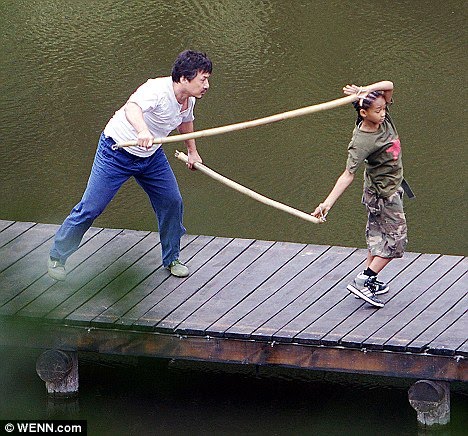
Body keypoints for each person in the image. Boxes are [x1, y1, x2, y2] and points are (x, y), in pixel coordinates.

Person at [48, 50, 212, 281]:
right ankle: (57, 256)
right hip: (116, 153)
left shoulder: (189, 99)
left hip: (151, 156)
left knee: (172, 202)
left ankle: (172, 258)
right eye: (203, 79)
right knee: (91, 208)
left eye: (207, 80)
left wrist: (192, 152)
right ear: (184, 78)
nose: (206, 85)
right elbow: (132, 108)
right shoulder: (156, 90)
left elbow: (185, 122)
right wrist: (142, 130)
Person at [312, 80, 407, 308]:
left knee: (378, 240)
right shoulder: (362, 141)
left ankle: (369, 282)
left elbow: (388, 84)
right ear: (364, 113)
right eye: (377, 110)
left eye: (384, 108)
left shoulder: (383, 118)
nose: (383, 113)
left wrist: (365, 90)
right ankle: (364, 280)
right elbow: (347, 175)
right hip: (383, 195)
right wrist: (327, 203)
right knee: (396, 242)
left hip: (386, 188)